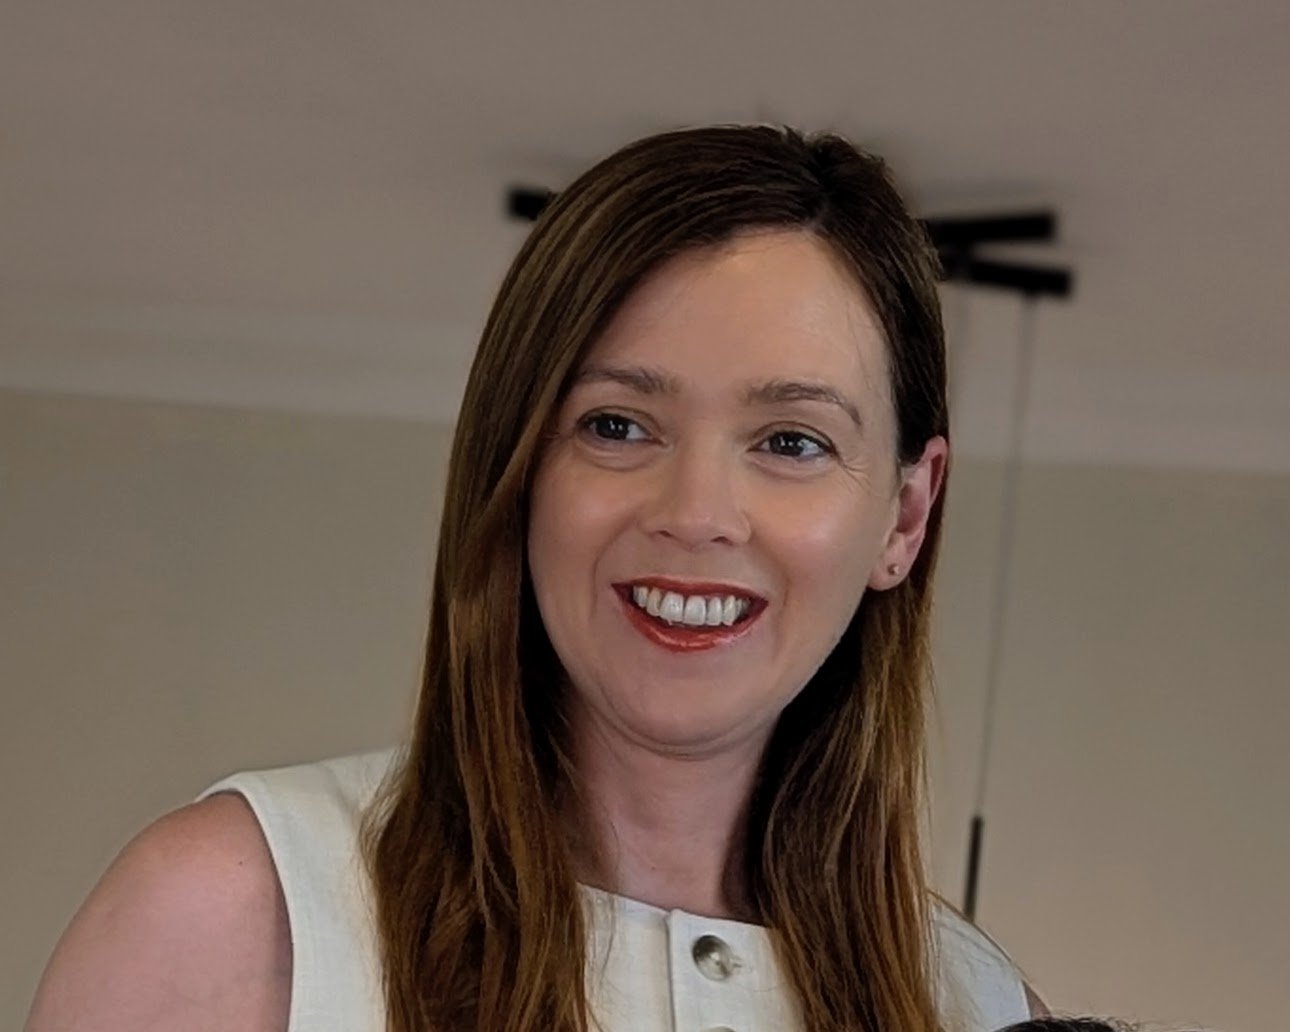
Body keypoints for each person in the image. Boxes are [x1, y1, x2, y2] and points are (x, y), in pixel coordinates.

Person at [26, 125, 1045, 1031]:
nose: (693, 514)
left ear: (905, 518)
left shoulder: (975, 1003)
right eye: (616, 425)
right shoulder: (235, 907)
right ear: (515, 472)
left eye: (791, 440)